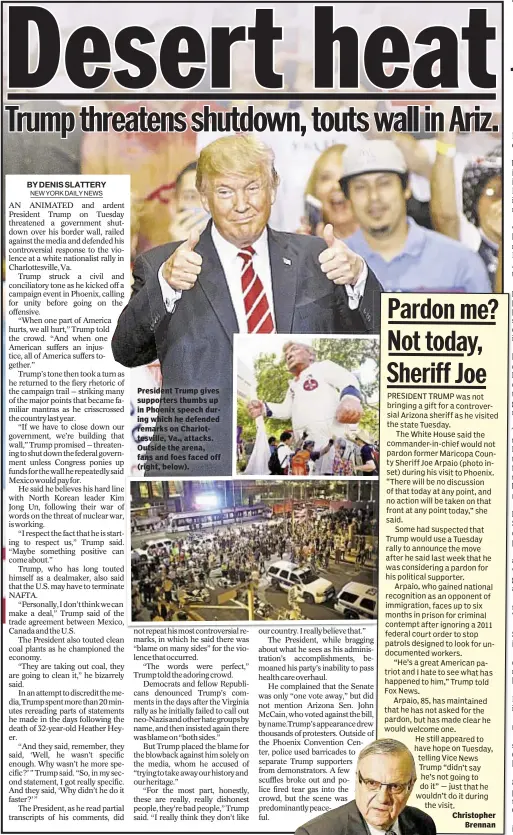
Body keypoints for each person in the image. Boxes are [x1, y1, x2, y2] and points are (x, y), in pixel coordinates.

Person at [112, 135, 382, 476]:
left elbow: (385, 334)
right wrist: (164, 286)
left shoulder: (319, 258)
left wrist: (359, 278)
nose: (242, 204)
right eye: (225, 191)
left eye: (253, 187)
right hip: (195, 467)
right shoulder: (164, 265)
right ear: (205, 198)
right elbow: (125, 351)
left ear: (273, 189)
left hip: (302, 469)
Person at [340, 141, 490, 293]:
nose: (373, 197)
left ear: (407, 187)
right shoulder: (332, 264)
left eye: (384, 184)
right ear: (347, 196)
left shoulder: (460, 263)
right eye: (360, 187)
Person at [248, 342, 364, 474]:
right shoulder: (292, 386)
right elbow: (286, 410)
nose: (289, 355)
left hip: (331, 444)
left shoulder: (322, 367)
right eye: (286, 355)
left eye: (294, 350)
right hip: (305, 452)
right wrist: (264, 408)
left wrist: (350, 398)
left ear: (311, 355)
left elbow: (346, 379)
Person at [295, 739, 436, 835]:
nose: (382, 798)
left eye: (394, 786)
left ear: (411, 785)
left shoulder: (423, 824)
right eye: (372, 783)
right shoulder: (316, 833)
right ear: (357, 779)